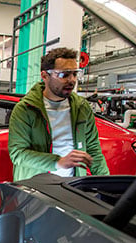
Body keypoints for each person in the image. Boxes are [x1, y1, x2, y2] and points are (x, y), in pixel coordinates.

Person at [8, 47, 109, 181]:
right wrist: (58, 162)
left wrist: (106, 183)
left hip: (71, 185)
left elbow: (93, 151)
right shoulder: (26, 109)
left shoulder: (82, 108)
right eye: (64, 75)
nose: (72, 80)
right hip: (35, 187)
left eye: (74, 74)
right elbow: (18, 154)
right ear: (45, 76)